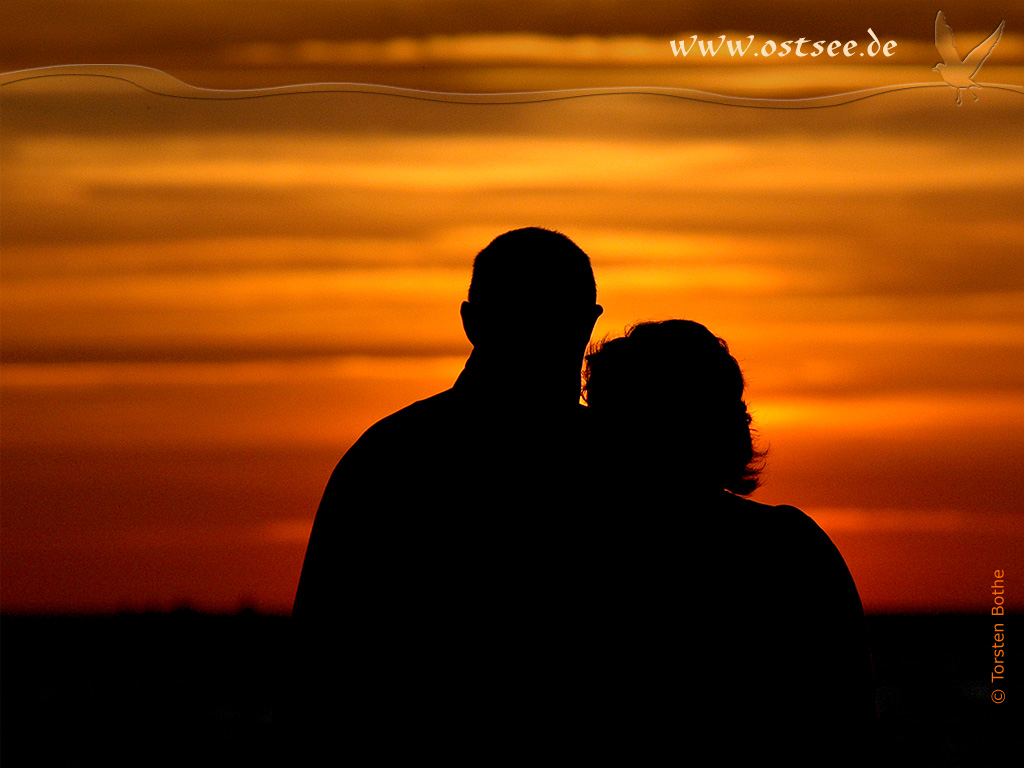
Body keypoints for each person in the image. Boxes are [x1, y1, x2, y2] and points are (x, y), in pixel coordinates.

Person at [285, 228, 604, 759]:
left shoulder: (387, 458)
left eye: (554, 318)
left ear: (470, 322)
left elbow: (319, 667)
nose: (542, 339)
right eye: (526, 318)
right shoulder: (621, 464)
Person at [581, 319, 878, 764]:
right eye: (734, 406)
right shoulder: (789, 547)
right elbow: (848, 722)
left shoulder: (572, 549)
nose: (745, 418)